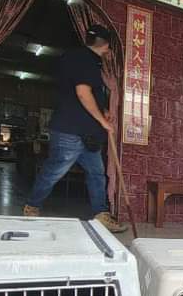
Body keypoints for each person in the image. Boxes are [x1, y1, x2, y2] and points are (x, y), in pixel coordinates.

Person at [23, 24, 128, 233]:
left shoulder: (79, 58)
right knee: (55, 171)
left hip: (87, 133)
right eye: (109, 48)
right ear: (105, 45)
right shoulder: (84, 59)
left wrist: (103, 111)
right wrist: (102, 120)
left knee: (97, 173)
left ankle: (101, 215)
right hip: (71, 131)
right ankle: (31, 206)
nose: (108, 52)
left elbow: (83, 94)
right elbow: (82, 92)